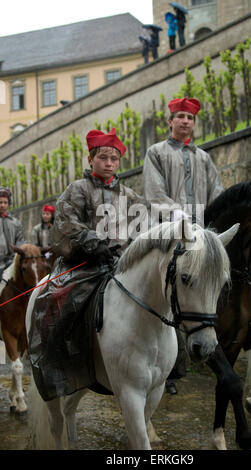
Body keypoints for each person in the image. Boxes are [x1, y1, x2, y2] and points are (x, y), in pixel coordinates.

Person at [28, 128, 148, 402]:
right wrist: (95, 244)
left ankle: (169, 366)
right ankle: (56, 365)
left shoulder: (130, 195)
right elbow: (68, 223)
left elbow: (144, 225)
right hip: (83, 264)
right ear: (91, 159)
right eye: (103, 157)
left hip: (121, 263)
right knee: (57, 305)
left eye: (114, 159)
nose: (109, 163)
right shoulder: (77, 190)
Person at [142, 96, 224, 394]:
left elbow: (217, 192)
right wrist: (178, 216)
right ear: (171, 121)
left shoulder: (203, 157)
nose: (185, 122)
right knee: (170, 295)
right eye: (180, 117)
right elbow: (153, 192)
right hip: (169, 232)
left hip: (200, 233)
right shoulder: (157, 153)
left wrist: (216, 221)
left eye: (189, 118)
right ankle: (169, 369)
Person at [0, 187, 26, 280]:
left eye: (5, 202)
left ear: (8, 204)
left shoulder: (15, 222)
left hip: (12, 263)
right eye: (0, 202)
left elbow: (21, 240)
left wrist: (16, 256)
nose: (2, 205)